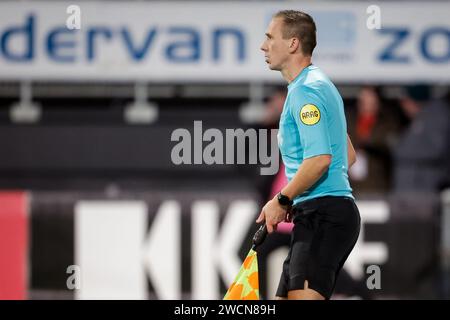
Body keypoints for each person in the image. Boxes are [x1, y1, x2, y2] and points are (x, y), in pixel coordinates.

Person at [257, 10, 361, 300]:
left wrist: (282, 199)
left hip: (322, 216)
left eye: (269, 38)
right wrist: (301, 195)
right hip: (319, 213)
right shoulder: (317, 85)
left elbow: (320, 160)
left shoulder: (306, 91)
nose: (263, 46)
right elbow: (346, 155)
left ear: (292, 44)